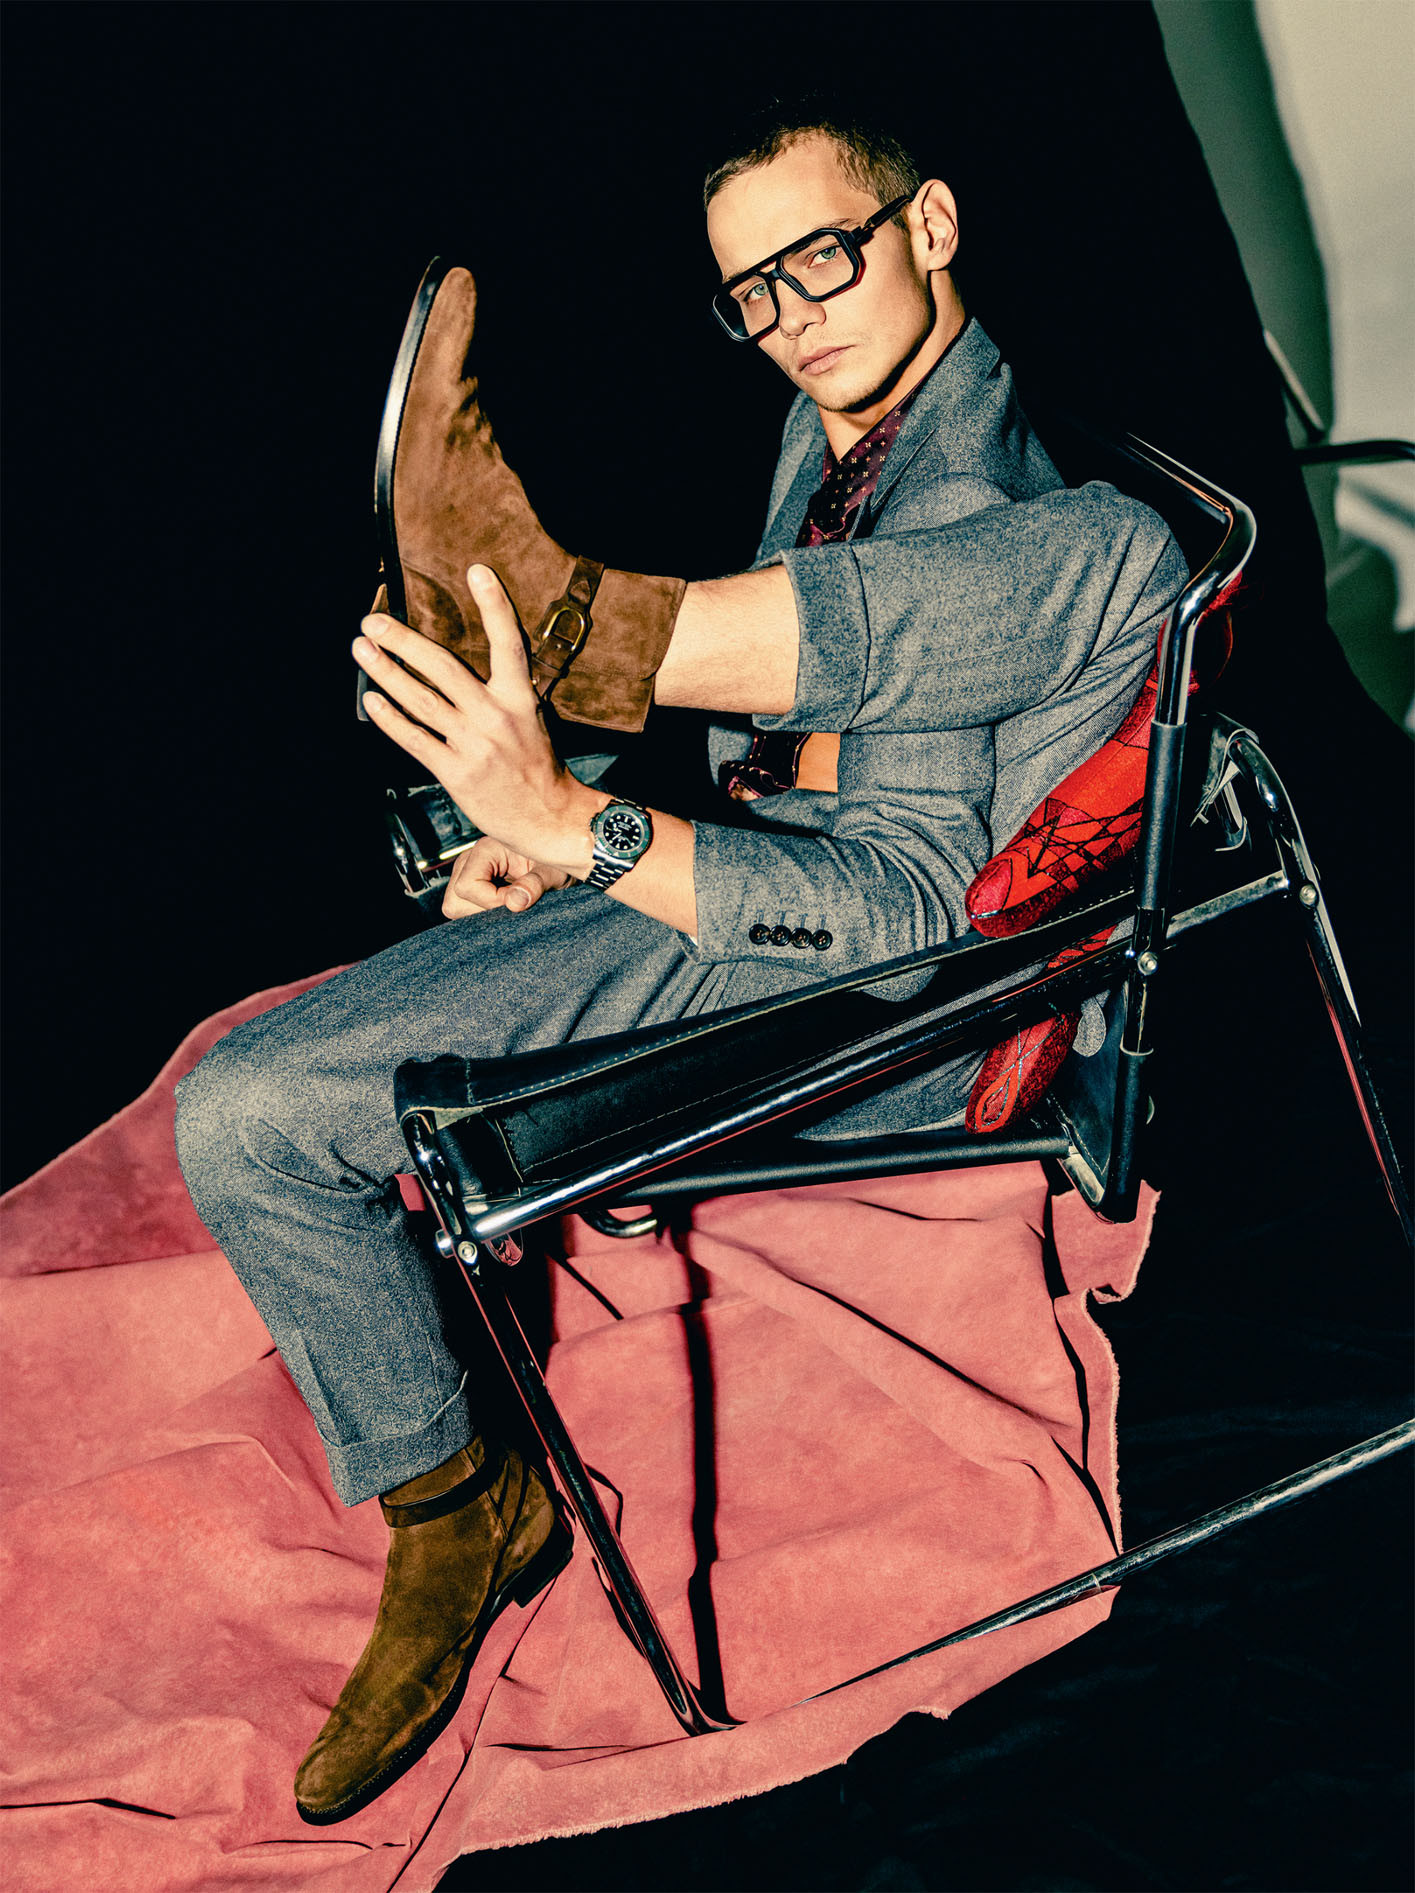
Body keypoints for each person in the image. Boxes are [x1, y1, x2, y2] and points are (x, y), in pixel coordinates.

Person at [173, 102, 1186, 1825]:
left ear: (932, 222)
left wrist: (585, 830)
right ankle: (565, 622)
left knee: (248, 1116)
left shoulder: (1019, 512)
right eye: (751, 291)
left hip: (883, 1015)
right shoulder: (842, 419)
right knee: (269, 1075)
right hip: (768, 907)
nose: (790, 317)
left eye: (822, 258)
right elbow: (794, 766)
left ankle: (457, 1502)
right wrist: (564, 832)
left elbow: (904, 921)